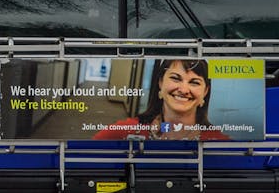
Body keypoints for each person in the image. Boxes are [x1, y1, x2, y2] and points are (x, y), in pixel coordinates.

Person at [93, 58, 229, 141]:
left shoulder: (219, 142)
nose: (183, 89)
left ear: (205, 92)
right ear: (160, 83)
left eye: (194, 82)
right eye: (175, 78)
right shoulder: (125, 130)